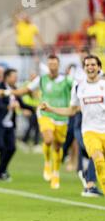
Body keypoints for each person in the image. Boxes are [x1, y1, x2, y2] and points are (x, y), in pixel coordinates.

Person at [0, 55, 73, 189]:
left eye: (54, 64)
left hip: (62, 116)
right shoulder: (41, 79)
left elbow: (78, 90)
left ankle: (56, 173)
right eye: (50, 64)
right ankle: (47, 163)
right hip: (45, 113)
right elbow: (26, 90)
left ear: (58, 65)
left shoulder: (67, 81)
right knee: (48, 138)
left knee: (57, 146)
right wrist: (7, 93)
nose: (52, 66)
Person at [40, 54, 104, 197]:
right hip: (90, 132)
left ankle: (88, 180)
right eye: (87, 65)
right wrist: (51, 109)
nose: (90, 67)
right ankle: (91, 184)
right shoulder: (79, 87)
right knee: (98, 159)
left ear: (99, 67)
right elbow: (72, 110)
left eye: (93, 65)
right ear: (84, 68)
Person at [0, 69, 32, 180]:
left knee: (11, 148)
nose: (16, 79)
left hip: (9, 124)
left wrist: (34, 109)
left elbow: (21, 104)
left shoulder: (14, 90)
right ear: (7, 77)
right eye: (14, 76)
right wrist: (8, 106)